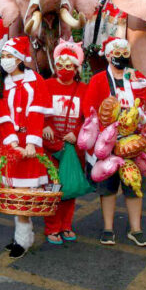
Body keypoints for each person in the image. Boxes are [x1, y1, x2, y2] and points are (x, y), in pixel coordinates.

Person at [81, 37, 146, 247]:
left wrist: (139, 84)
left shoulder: (135, 75)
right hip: (107, 144)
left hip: (134, 141)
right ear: (107, 55)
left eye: (125, 54)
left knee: (134, 185)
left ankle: (136, 229)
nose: (121, 57)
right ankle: (108, 229)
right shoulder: (98, 80)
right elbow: (88, 107)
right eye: (117, 53)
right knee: (108, 187)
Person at [0, 36, 52, 259]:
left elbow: (37, 112)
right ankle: (21, 236)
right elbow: (1, 117)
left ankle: (23, 240)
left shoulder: (35, 80)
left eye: (10, 56)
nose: (5, 60)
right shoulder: (0, 83)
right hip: (11, 145)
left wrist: (32, 143)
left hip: (31, 146)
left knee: (25, 195)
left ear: (20, 58)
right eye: (3, 56)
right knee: (14, 194)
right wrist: (12, 142)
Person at [42, 40, 88, 245]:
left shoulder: (84, 89)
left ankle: (66, 225)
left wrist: (77, 133)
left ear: (77, 68)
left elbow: (90, 118)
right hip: (52, 147)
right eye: (59, 65)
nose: (63, 69)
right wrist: (46, 125)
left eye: (68, 66)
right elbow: (38, 110)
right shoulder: (47, 85)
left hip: (73, 148)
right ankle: (52, 227)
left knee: (70, 187)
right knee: (52, 188)